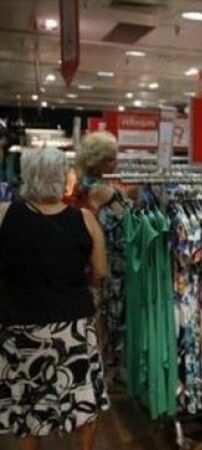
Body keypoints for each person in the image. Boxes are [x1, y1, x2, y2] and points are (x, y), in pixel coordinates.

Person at [0, 147, 110, 450]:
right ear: (62, 178)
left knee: (26, 401)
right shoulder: (85, 219)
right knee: (81, 397)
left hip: (19, 325)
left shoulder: (5, 214)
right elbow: (100, 272)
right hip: (71, 327)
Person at [72, 131, 132, 373]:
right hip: (107, 264)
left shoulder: (90, 185)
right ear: (96, 161)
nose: (114, 163)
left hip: (106, 263)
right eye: (109, 159)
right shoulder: (97, 190)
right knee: (106, 322)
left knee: (105, 321)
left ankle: (106, 369)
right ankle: (105, 371)